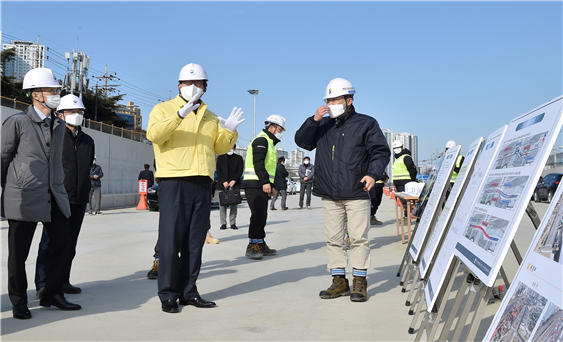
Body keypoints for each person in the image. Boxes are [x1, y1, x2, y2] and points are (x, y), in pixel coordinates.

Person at [147, 62, 244, 313]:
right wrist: (179, 115)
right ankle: (168, 294)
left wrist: (230, 131)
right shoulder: (163, 109)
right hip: (174, 180)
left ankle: (189, 291)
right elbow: (155, 135)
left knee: (194, 241)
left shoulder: (210, 116)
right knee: (170, 241)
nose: (193, 87)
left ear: (205, 87)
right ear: (179, 85)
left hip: (202, 181)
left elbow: (220, 148)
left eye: (199, 84)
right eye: (188, 83)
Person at [295, 77, 390, 302]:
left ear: (349, 100)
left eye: (336, 98)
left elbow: (380, 152)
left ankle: (359, 280)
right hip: (329, 193)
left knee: (358, 238)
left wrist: (372, 173)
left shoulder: (366, 123)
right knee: (333, 239)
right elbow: (301, 141)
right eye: (329, 99)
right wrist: (314, 119)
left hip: (356, 191)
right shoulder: (323, 125)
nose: (332, 103)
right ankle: (339, 280)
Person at [1, 68, 81, 319]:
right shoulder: (18, 122)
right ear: (36, 94)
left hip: (53, 195)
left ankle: (51, 293)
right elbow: (2, 158)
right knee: (19, 254)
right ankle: (19, 301)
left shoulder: (58, 125)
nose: (57, 94)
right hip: (23, 196)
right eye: (53, 90)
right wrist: (13, 185)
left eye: (57, 90)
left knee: (63, 244)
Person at [35, 94, 95, 299]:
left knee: (70, 243)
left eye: (80, 111)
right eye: (72, 111)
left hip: (79, 199)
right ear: (60, 114)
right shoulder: (54, 136)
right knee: (50, 243)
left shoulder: (88, 141)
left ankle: (62, 280)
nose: (77, 115)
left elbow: (87, 168)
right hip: (58, 198)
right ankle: (43, 284)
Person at [242, 114, 286, 260]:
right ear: (272, 127)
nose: (280, 133)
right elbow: (258, 163)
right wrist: (265, 182)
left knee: (262, 215)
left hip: (260, 183)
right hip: (254, 183)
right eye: (280, 129)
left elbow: (268, 167)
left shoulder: (269, 143)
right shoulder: (261, 140)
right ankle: (252, 245)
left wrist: (270, 185)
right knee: (257, 215)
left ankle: (260, 243)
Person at [216, 144, 244, 230]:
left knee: (234, 204)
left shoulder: (239, 158)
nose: (230, 149)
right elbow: (218, 170)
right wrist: (223, 181)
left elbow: (240, 170)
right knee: (222, 205)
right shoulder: (220, 158)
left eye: (232, 147)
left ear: (234, 148)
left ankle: (233, 223)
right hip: (222, 184)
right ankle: (223, 223)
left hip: (234, 184)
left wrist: (234, 180)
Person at [391, 140, 417, 219]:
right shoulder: (397, 159)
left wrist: (412, 180)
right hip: (398, 183)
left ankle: (407, 216)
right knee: (403, 201)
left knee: (406, 201)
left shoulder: (406, 157)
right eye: (394, 148)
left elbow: (412, 170)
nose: (396, 149)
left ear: (402, 147)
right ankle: (405, 216)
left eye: (398, 147)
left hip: (405, 182)